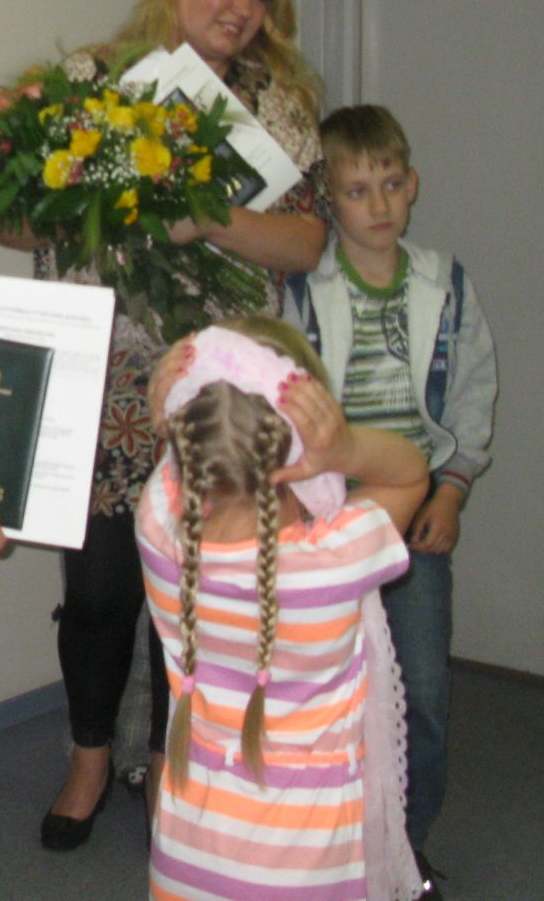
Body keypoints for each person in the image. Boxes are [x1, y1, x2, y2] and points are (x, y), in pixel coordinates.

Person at [0, 0, 327, 848]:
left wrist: (205, 218)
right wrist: (93, 201)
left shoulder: (279, 107)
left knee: (200, 594)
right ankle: (90, 757)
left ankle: (174, 762)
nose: (244, 9)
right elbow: (7, 220)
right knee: (100, 593)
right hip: (102, 384)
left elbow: (306, 242)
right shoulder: (94, 81)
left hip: (219, 392)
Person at [137, 318, 430, 901]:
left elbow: (171, 475)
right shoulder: (336, 560)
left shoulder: (158, 536)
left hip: (186, 860)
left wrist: (165, 413)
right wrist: (346, 448)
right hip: (308, 869)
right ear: (303, 451)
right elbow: (410, 474)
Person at [284, 105, 498, 895]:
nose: (377, 204)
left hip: (413, 523)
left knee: (423, 693)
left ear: (414, 186)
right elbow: (283, 402)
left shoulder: (446, 284)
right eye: (356, 190)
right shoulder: (304, 292)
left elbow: (472, 392)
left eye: (391, 185)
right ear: (328, 201)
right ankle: (338, 848)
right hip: (329, 518)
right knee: (331, 693)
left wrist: (453, 487)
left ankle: (406, 848)